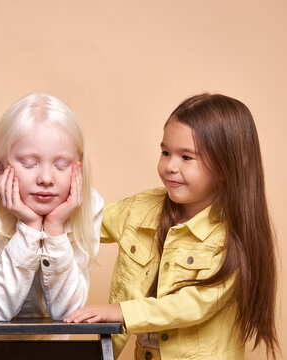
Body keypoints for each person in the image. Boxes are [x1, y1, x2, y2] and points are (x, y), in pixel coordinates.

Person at [64, 94, 278, 359]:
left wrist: (122, 311)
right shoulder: (141, 210)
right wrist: (52, 191)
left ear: (226, 167)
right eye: (165, 152)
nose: (170, 166)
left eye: (187, 157)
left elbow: (193, 305)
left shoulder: (230, 235)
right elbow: (85, 224)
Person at [0, 93, 104, 323]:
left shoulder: (89, 205)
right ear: (0, 166)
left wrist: (55, 228)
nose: (45, 178)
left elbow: (66, 312)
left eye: (61, 165)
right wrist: (29, 227)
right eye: (30, 164)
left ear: (78, 168)